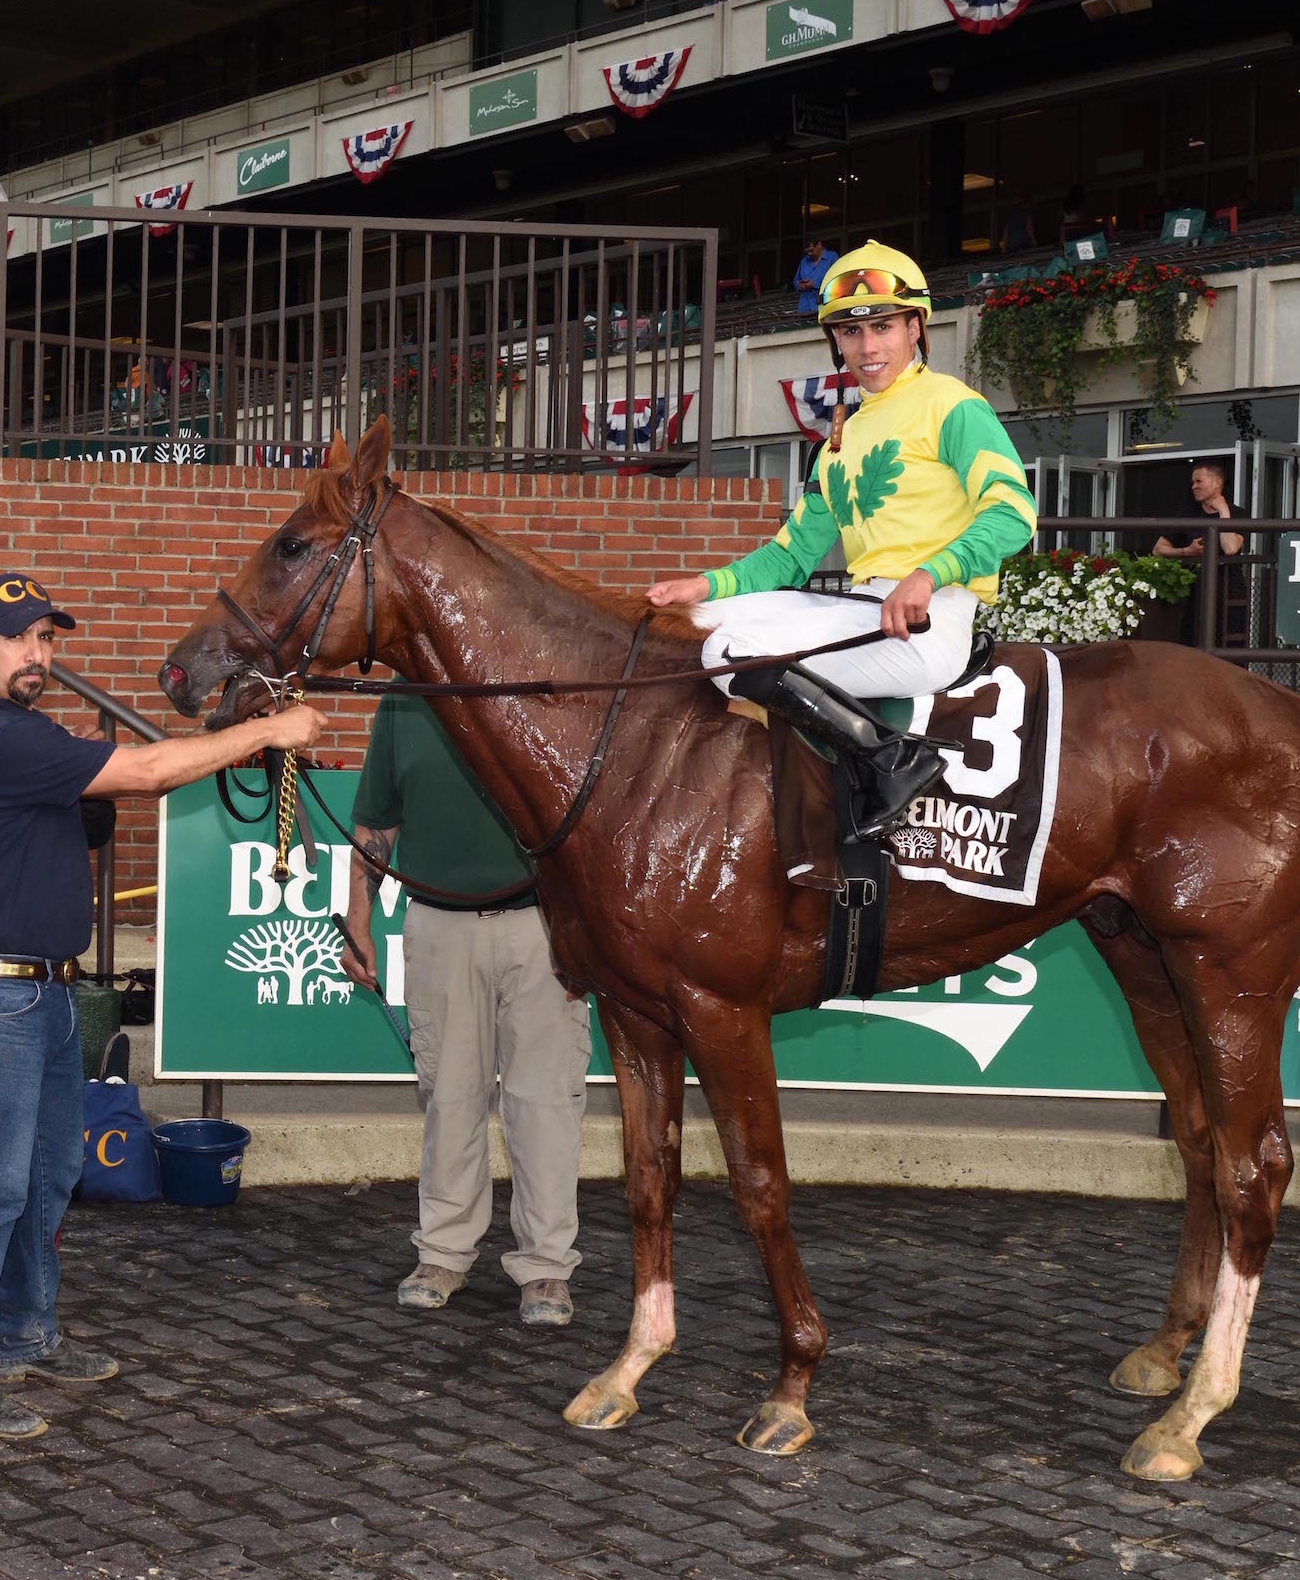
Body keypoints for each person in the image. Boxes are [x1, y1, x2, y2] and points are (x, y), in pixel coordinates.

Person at [0, 573, 324, 1438]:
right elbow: (142, 770)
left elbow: (124, 786)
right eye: (19, 637)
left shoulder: (25, 732)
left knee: (46, 1176)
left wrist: (225, 739)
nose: (38, 654)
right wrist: (268, 728)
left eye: (47, 640)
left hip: (43, 996)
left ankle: (23, 1332)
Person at [647, 241, 1036, 841]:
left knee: (728, 654)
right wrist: (702, 584)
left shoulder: (954, 406)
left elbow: (1013, 512)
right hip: (862, 609)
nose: (868, 347)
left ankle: (890, 760)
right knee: (700, 621)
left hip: (929, 623)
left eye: (882, 326)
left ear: (916, 328)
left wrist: (930, 574)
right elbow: (792, 554)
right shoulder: (840, 436)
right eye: (851, 333)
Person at [337, 695, 588, 1327]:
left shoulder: (544, 674)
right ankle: (444, 1252)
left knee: (546, 1102)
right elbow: (375, 821)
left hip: (542, 925)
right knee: (449, 1097)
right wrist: (357, 922)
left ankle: (546, 1268)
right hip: (437, 924)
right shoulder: (404, 699)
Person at [1156, 458, 1252, 646]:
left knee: (1230, 649)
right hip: (1193, 595)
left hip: (1228, 594)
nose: (1193, 486)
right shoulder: (1187, 514)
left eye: (1199, 481)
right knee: (1192, 648)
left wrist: (1223, 512)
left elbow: (1230, 548)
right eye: (1193, 482)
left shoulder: (1237, 514)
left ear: (1217, 483)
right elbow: (1158, 550)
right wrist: (1186, 551)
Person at [791, 238, 832, 318]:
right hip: (804, 308)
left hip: (823, 306)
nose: (809, 254)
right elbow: (795, 281)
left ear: (819, 245)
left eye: (812, 250)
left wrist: (814, 284)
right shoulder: (804, 260)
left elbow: (835, 279)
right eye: (807, 251)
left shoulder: (831, 257)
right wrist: (799, 285)